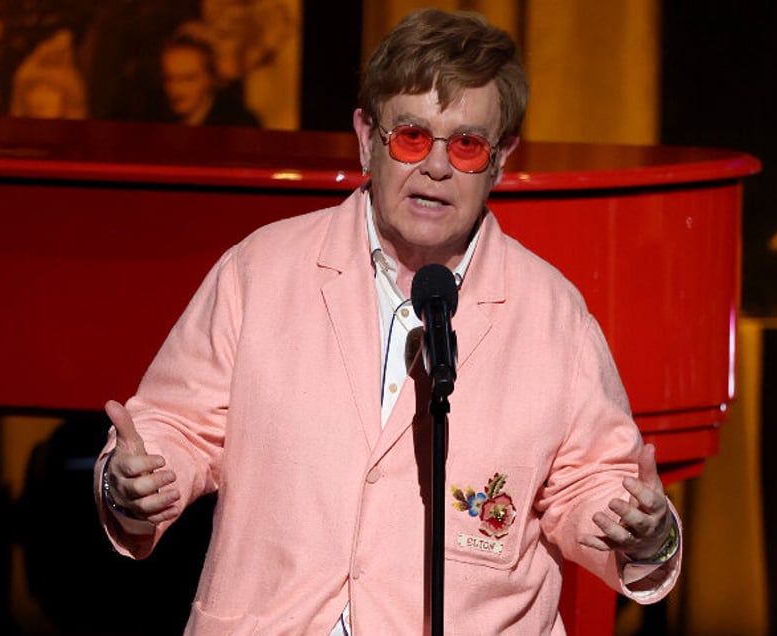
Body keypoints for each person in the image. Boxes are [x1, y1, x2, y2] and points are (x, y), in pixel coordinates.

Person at [94, 9, 682, 634]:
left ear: (501, 160)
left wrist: (645, 533)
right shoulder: (260, 270)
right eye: (410, 136)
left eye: (466, 144)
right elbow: (175, 428)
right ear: (365, 136)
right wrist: (137, 481)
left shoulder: (551, 314)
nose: (436, 167)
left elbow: (594, 485)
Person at [158, 27, 260, 127]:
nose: (175, 89)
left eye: (188, 79)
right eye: (169, 79)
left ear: (211, 78)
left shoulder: (239, 123)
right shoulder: (159, 118)